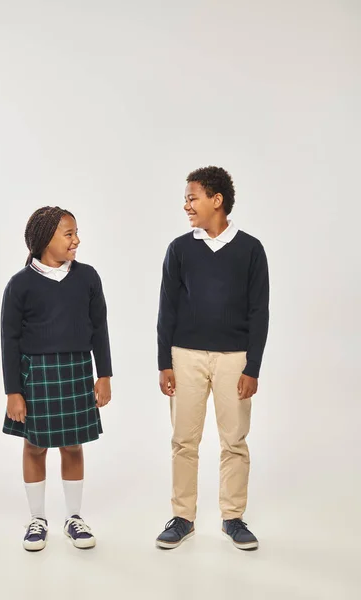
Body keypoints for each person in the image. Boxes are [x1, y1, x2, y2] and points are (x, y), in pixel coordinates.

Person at [156, 166, 269, 551]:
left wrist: (252, 367)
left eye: (192, 197)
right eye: (186, 198)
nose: (186, 204)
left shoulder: (250, 249)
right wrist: (164, 362)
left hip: (234, 358)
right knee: (183, 440)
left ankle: (232, 517)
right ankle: (183, 517)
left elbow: (260, 312)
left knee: (234, 441)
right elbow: (166, 309)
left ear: (216, 200)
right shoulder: (180, 248)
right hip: (185, 356)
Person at [1, 206, 112, 551]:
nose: (76, 240)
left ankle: (74, 518)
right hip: (36, 375)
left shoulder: (88, 277)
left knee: (73, 444)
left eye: (77, 233)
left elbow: (100, 328)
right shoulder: (20, 284)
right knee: (34, 446)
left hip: (77, 370)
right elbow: (9, 340)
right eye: (69, 234)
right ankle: (37, 519)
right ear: (46, 238)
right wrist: (13, 392)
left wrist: (104, 373)